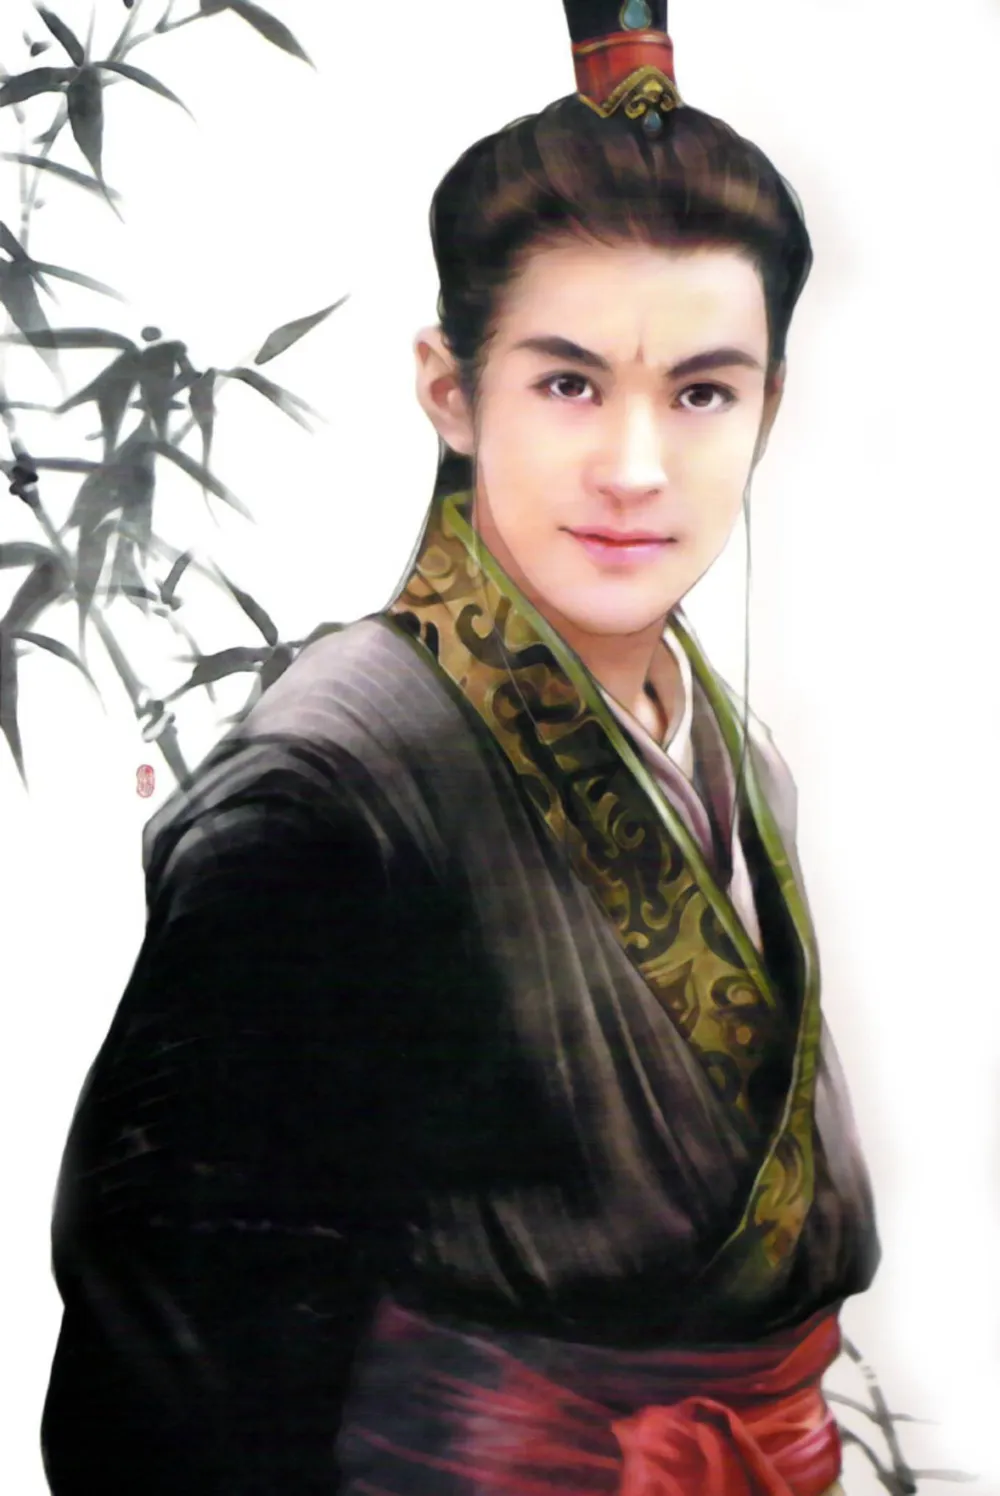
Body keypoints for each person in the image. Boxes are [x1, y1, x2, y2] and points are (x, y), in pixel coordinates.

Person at [40, 3, 879, 1492]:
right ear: (450, 390)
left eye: (702, 391)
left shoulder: (737, 760)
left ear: (769, 407)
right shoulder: (327, 788)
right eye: (569, 383)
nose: (637, 468)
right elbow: (167, 1365)